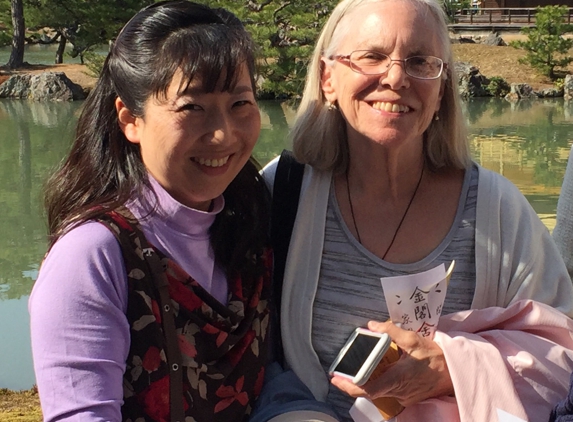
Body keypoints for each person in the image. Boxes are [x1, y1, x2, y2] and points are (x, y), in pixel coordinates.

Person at [261, 0, 573, 421]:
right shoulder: (281, 192)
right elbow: (234, 349)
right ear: (327, 77)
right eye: (371, 56)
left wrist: (450, 369)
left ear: (442, 88)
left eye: (420, 61)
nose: (395, 77)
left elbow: (563, 356)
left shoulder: (500, 211)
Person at [28, 2, 272, 421]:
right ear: (130, 119)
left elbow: (277, 377)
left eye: (240, 104)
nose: (223, 134)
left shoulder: (250, 221)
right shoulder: (93, 256)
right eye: (192, 107)